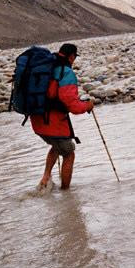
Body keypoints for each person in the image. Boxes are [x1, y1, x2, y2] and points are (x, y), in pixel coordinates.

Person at [31, 43, 94, 191]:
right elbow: (73, 106)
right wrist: (87, 106)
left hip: (38, 121)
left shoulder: (47, 67)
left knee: (57, 146)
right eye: (74, 57)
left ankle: (46, 178)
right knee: (69, 153)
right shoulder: (65, 72)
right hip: (54, 123)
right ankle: (66, 193)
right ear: (71, 56)